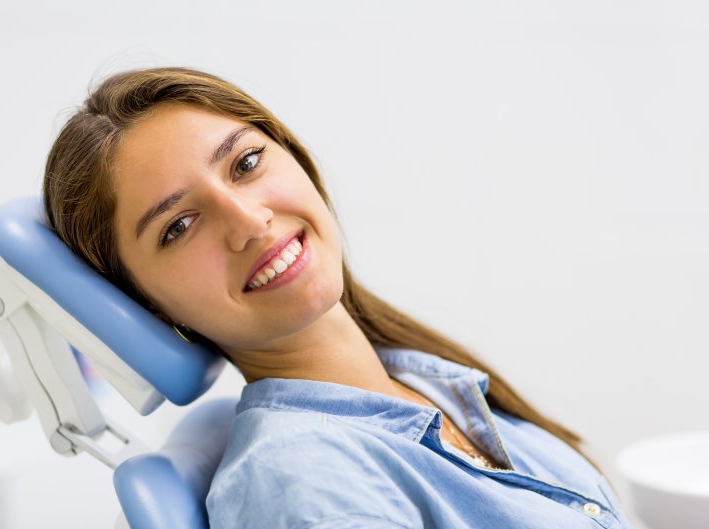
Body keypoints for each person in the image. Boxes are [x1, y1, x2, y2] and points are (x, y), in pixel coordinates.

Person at [43, 67, 635, 528]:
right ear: (151, 306)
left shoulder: (419, 380)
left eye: (246, 163)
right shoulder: (308, 483)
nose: (248, 221)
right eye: (178, 227)